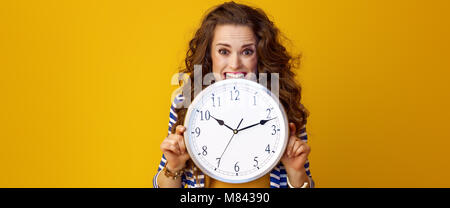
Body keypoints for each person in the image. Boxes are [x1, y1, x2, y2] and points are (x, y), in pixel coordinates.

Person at [153, 1, 314, 188]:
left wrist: (296, 172)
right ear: (209, 55)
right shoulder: (186, 103)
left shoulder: (285, 106)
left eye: (247, 51)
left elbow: (302, 180)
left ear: (260, 54)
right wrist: (173, 167)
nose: (235, 64)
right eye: (224, 51)